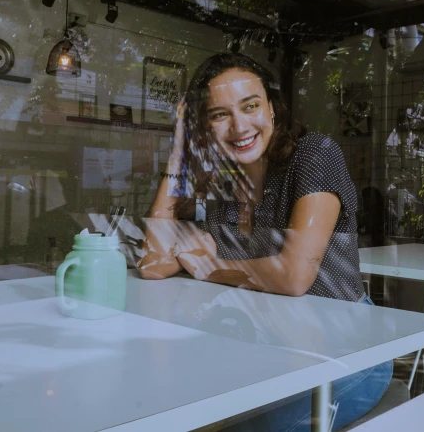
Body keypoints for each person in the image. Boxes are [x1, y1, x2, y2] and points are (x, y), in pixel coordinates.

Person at [137, 53, 392, 431]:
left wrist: (210, 268)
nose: (239, 126)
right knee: (167, 406)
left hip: (347, 349)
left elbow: (292, 277)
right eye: (219, 114)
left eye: (250, 106)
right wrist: (179, 149)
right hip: (269, 345)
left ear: (271, 109)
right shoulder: (224, 178)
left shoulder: (314, 155)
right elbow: (154, 264)